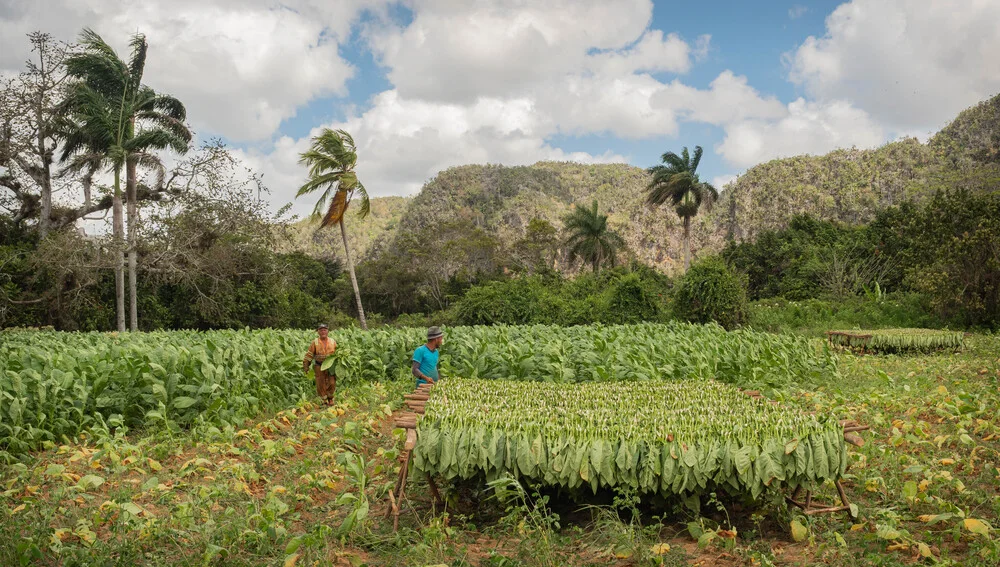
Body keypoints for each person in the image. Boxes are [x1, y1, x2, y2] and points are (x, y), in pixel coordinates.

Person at [303, 323, 337, 405]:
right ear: (318, 332)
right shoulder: (315, 342)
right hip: (319, 365)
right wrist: (306, 366)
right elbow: (309, 355)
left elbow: (337, 353)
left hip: (330, 366)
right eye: (321, 330)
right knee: (320, 383)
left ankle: (330, 398)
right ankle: (323, 400)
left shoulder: (333, 341)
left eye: (325, 330)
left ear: (328, 331)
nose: (323, 332)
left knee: (332, 382)